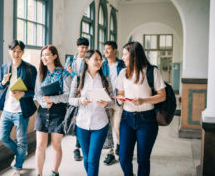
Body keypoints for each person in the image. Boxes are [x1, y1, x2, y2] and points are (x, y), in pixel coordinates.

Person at [116, 41, 166, 176]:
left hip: (147, 120)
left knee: (143, 160)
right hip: (126, 118)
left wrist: (144, 100)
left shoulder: (152, 71)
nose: (122, 57)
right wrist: (120, 100)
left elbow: (162, 96)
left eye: (125, 54)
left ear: (134, 56)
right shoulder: (122, 73)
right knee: (123, 157)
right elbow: (120, 94)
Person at [69, 50, 115, 176]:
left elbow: (112, 101)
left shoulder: (105, 79)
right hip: (81, 124)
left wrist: (107, 103)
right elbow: (71, 100)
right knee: (87, 159)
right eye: (96, 59)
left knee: (93, 159)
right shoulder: (78, 79)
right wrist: (81, 100)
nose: (99, 62)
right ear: (87, 61)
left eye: (100, 59)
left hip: (100, 124)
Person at [0, 40, 37, 176]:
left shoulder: (30, 69)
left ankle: (18, 167)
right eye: (14, 51)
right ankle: (21, 152)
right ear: (9, 51)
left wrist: (23, 93)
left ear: (23, 52)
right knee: (2, 137)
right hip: (7, 110)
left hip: (21, 111)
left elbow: (35, 91)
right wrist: (3, 81)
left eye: (19, 51)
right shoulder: (5, 67)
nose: (16, 53)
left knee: (22, 141)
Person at [35, 45, 72, 176]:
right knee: (40, 145)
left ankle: (54, 172)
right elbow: (37, 95)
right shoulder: (40, 74)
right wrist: (45, 103)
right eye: (42, 55)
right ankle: (39, 174)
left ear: (54, 56)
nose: (44, 57)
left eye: (47, 54)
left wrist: (52, 99)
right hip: (43, 111)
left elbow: (68, 96)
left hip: (58, 111)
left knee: (56, 144)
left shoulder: (64, 74)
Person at [64, 37, 89, 161]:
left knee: (81, 121)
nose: (83, 49)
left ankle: (77, 147)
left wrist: (73, 74)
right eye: (81, 47)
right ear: (77, 47)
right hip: (73, 95)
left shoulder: (88, 60)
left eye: (85, 47)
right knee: (75, 120)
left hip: (84, 95)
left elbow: (85, 76)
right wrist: (69, 73)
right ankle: (77, 147)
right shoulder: (70, 60)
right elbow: (66, 76)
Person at [102, 41, 125, 165]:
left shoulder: (122, 64)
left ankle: (120, 148)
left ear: (115, 50)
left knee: (117, 127)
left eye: (108, 49)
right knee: (108, 128)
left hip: (119, 101)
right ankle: (110, 152)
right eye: (104, 49)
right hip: (106, 101)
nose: (105, 51)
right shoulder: (102, 65)